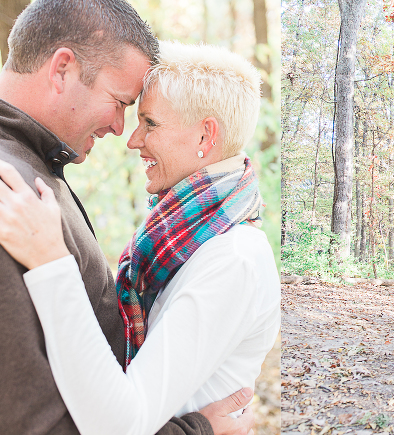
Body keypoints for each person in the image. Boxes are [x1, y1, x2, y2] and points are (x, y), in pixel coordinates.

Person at [0, 1, 253, 433]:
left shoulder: (34, 168)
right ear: (62, 70)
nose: (121, 130)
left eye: (146, 119)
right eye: (119, 102)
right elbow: (33, 419)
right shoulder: (12, 188)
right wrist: (194, 431)